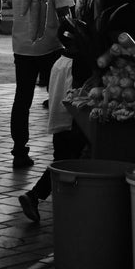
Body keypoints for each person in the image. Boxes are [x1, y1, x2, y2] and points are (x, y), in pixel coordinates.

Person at [5, 0, 75, 170]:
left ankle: (19, 151)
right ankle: (61, 151)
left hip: (22, 45)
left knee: (22, 98)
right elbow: (64, 11)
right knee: (59, 99)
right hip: (50, 45)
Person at [15, 42, 90, 225]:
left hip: (65, 71)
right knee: (69, 155)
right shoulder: (82, 58)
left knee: (64, 154)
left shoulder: (65, 58)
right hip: (75, 80)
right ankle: (39, 196)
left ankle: (39, 196)